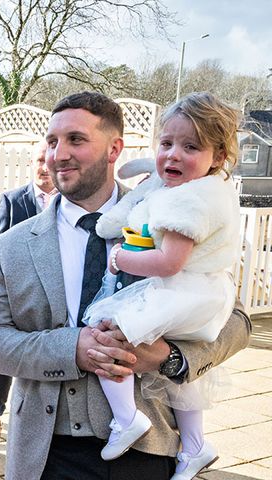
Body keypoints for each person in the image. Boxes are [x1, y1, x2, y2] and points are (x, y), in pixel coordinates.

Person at [0, 91, 251, 480]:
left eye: (76, 139)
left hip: (150, 448)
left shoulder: (168, 215)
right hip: (47, 453)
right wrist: (74, 348)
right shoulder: (12, 246)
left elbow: (236, 320)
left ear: (114, 148)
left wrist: (170, 357)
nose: (59, 154)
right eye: (52, 141)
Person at [83, 93, 240, 480]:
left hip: (182, 291)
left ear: (218, 157)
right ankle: (195, 445)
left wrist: (120, 258)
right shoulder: (208, 190)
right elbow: (149, 186)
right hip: (206, 294)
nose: (172, 155)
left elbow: (169, 263)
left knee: (110, 333)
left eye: (190, 147)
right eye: (166, 143)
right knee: (184, 377)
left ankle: (126, 418)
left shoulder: (186, 202)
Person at [0, 140, 58, 439]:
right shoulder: (13, 200)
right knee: (3, 358)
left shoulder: (67, 203)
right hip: (15, 294)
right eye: (38, 161)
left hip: (53, 297)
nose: (43, 168)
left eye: (47, 162)